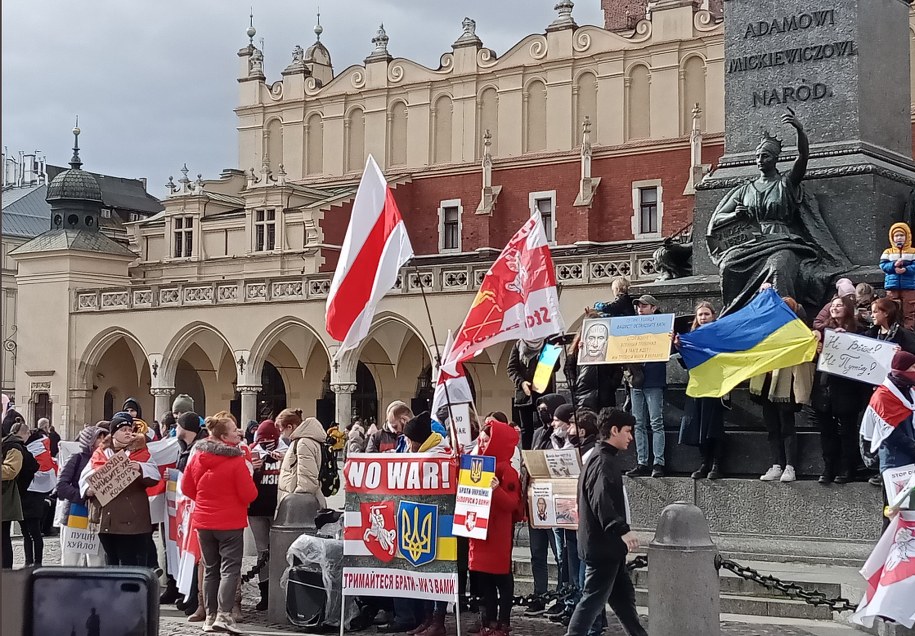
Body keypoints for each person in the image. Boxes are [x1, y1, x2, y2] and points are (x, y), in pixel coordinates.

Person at [707, 109, 849, 315]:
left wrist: (800, 131)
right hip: (752, 242)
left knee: (778, 267)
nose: (760, 160)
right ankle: (736, 317)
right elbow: (717, 220)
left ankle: (781, 317)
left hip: (782, 238)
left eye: (765, 156)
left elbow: (803, 157)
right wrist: (735, 215)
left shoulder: (786, 183)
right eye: (757, 156)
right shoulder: (745, 189)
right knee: (728, 265)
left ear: (775, 159)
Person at [565, 408, 646, 636]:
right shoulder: (603, 461)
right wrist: (621, 529)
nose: (631, 437)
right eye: (628, 431)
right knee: (591, 601)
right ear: (614, 430)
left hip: (605, 546)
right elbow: (603, 499)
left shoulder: (598, 457)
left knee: (622, 602)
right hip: (604, 546)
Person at [182, 413, 258, 634]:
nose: (239, 433)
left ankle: (209, 616)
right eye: (234, 430)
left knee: (210, 569)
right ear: (224, 436)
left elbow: (187, 487)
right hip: (230, 523)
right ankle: (224, 615)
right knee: (229, 569)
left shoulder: (197, 455)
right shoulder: (235, 460)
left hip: (203, 522)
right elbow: (249, 494)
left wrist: (206, 499)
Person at [83, 412, 161, 566]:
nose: (128, 433)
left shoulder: (140, 453)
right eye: (123, 429)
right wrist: (88, 490)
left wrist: (140, 468)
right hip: (105, 520)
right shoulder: (101, 453)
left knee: (128, 562)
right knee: (111, 561)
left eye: (129, 429)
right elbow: (86, 478)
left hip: (131, 523)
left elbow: (154, 476)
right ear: (113, 434)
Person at [749, 296, 814, 483]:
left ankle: (790, 466)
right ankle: (777, 464)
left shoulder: (798, 330)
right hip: (766, 383)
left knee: (787, 427)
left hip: (787, 386)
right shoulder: (767, 329)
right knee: (772, 428)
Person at [469, 420, 522, 636]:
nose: (481, 443)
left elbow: (511, 504)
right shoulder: (476, 465)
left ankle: (503, 621)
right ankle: (488, 620)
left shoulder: (507, 470)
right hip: (479, 530)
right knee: (484, 580)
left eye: (485, 440)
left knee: (501, 579)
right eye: (480, 440)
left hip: (497, 533)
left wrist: (496, 489)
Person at [810, 296, 868, 484]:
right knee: (826, 432)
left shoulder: (860, 331)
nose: (834, 308)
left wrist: (848, 340)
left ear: (848, 308)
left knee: (847, 431)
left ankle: (848, 468)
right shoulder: (821, 331)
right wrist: (816, 347)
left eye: (839, 305)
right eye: (832, 306)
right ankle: (829, 467)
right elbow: (811, 359)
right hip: (824, 388)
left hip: (847, 389)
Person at [523, 393, 565, 615]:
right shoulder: (539, 433)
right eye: (539, 408)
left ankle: (561, 595)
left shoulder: (562, 436)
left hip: (555, 501)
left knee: (560, 555)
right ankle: (539, 594)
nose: (542, 412)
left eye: (545, 408)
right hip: (536, 499)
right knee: (537, 553)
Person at [676, 302, 727, 480]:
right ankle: (704, 462)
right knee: (698, 424)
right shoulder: (691, 337)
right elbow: (687, 364)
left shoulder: (719, 334)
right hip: (697, 385)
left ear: (713, 315)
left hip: (715, 385)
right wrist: (680, 348)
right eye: (700, 315)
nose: (703, 317)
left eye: (706, 314)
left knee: (713, 426)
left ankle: (717, 464)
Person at [627, 294, 668, 478]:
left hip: (654, 380)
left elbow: (670, 351)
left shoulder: (663, 327)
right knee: (638, 423)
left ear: (653, 308)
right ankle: (642, 461)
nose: (640, 309)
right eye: (638, 307)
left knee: (656, 422)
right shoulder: (632, 327)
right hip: (636, 381)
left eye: (644, 306)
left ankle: (658, 462)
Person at [56, 425, 108, 566]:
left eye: (104, 437)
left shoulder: (108, 460)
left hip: (96, 516)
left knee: (97, 561)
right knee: (71, 561)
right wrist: (84, 494)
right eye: (99, 437)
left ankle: (94, 587)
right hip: (74, 515)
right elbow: (61, 486)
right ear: (89, 441)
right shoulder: (76, 459)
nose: (102, 441)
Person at [248, 419, 286, 611]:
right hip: (255, 509)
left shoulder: (286, 451)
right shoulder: (250, 451)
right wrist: (252, 470)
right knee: (262, 552)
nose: (266, 445)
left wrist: (284, 461)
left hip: (277, 508)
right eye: (262, 441)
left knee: (280, 551)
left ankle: (281, 592)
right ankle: (265, 593)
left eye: (269, 441)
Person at [173, 411, 206, 619]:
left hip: (195, 509)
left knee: (196, 557)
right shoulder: (186, 448)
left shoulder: (197, 449)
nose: (176, 429)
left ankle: (195, 598)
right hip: (186, 509)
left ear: (186, 428)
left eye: (178, 425)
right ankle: (189, 595)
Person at [508, 338, 559, 450]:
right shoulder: (518, 345)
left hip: (543, 393)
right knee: (526, 429)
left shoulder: (547, 343)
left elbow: (556, 367)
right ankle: (527, 457)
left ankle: (545, 451)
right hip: (524, 395)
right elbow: (511, 368)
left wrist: (553, 354)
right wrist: (521, 383)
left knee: (546, 425)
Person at [2, 420, 39, 567]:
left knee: (4, 537)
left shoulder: (13, 447)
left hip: (6, 497)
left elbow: (10, 471)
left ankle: (6, 572)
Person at [21, 424, 58, 565]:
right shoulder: (32, 449)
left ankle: (35, 562)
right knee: (28, 533)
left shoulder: (36, 450)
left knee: (33, 532)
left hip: (33, 496)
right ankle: (29, 561)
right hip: (29, 494)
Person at [277, 411, 327, 507]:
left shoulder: (303, 442)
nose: (281, 433)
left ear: (290, 427)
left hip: (300, 503)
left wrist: (295, 501)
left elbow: (307, 480)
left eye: (281, 429)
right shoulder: (305, 440)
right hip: (300, 499)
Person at [880, 222, 915, 330]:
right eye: (896, 235)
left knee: (909, 311)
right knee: (892, 309)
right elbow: (883, 265)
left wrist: (906, 269)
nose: (899, 238)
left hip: (909, 287)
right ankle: (893, 331)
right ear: (892, 238)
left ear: (907, 236)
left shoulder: (913, 252)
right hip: (892, 286)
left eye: (902, 235)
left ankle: (909, 333)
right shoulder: (888, 252)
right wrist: (893, 266)